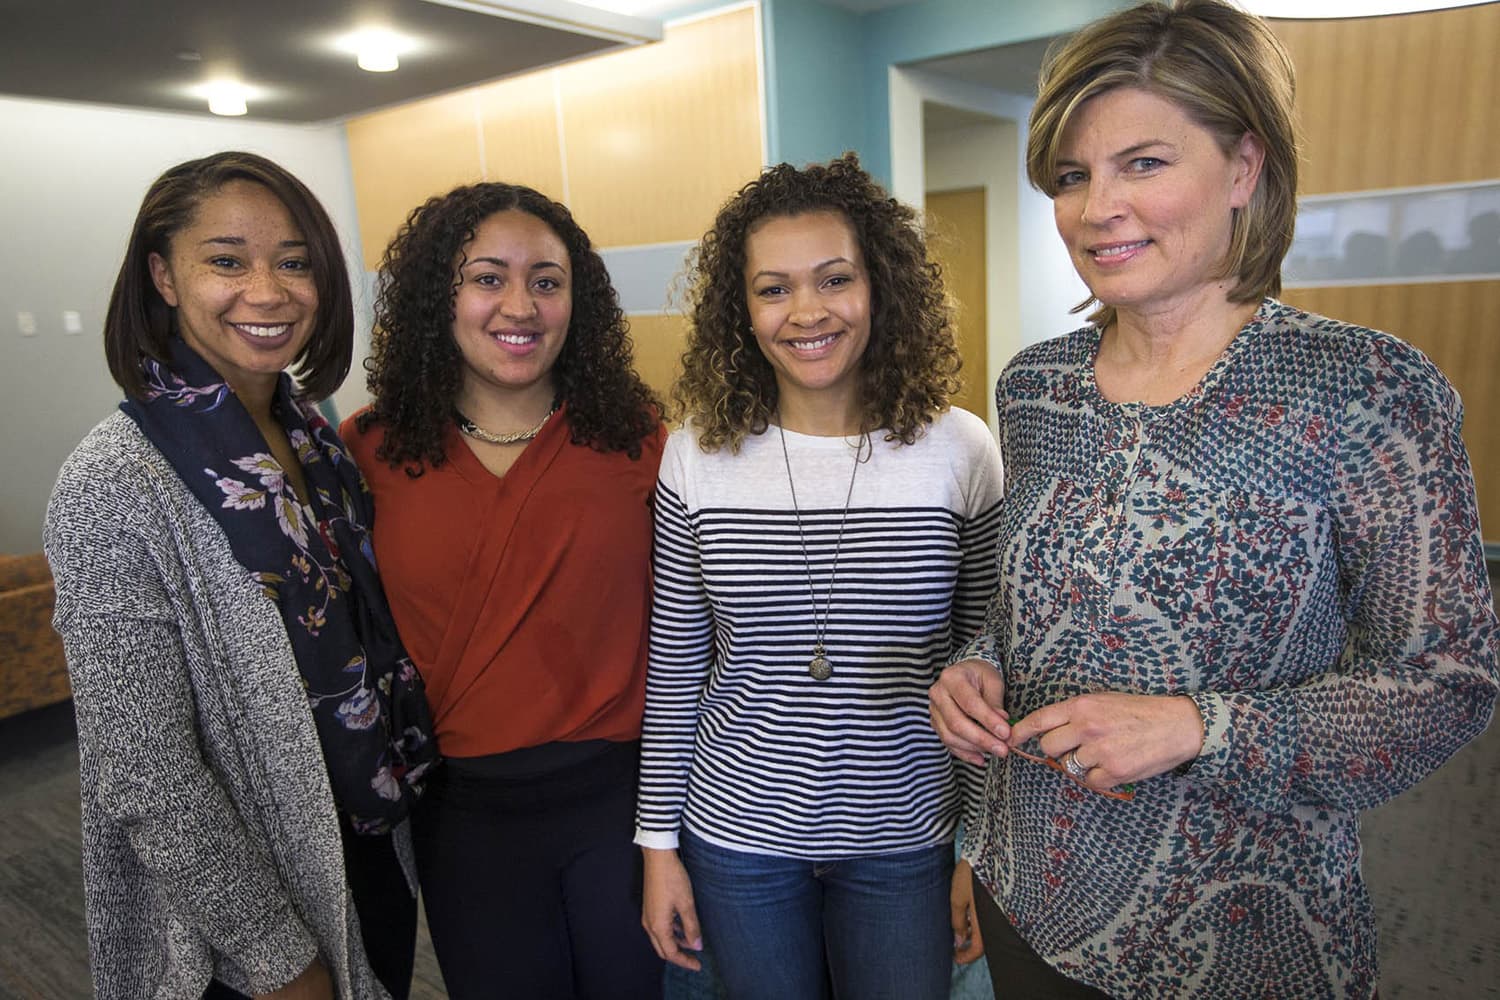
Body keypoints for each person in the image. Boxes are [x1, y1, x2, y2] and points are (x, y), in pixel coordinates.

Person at [926, 2, 1500, 997]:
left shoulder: (1364, 389)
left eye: (1143, 163)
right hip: (1034, 898)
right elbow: (1026, 616)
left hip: (1246, 932)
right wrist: (974, 672)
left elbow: (1451, 678)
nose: (1094, 205)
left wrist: (1201, 727)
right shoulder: (1034, 388)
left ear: (1244, 168)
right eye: (1071, 175)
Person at [43, 151, 437, 1000]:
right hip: (241, 915)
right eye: (226, 260)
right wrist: (275, 956)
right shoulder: (113, 482)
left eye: (294, 262)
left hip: (362, 844)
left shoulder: (317, 440)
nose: (268, 290)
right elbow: (142, 767)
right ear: (164, 276)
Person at [636, 153, 1004, 1000]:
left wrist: (976, 853)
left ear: (880, 288)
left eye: (834, 279)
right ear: (742, 310)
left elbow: (988, 667)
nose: (806, 312)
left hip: (907, 834)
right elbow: (679, 659)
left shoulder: (959, 449)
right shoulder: (698, 453)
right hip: (736, 835)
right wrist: (658, 847)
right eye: (773, 289)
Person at [342, 182, 665, 1000]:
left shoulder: (638, 440)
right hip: (462, 816)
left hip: (617, 803)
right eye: (487, 277)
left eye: (547, 281)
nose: (519, 305)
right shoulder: (366, 451)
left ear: (576, 302)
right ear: (437, 296)